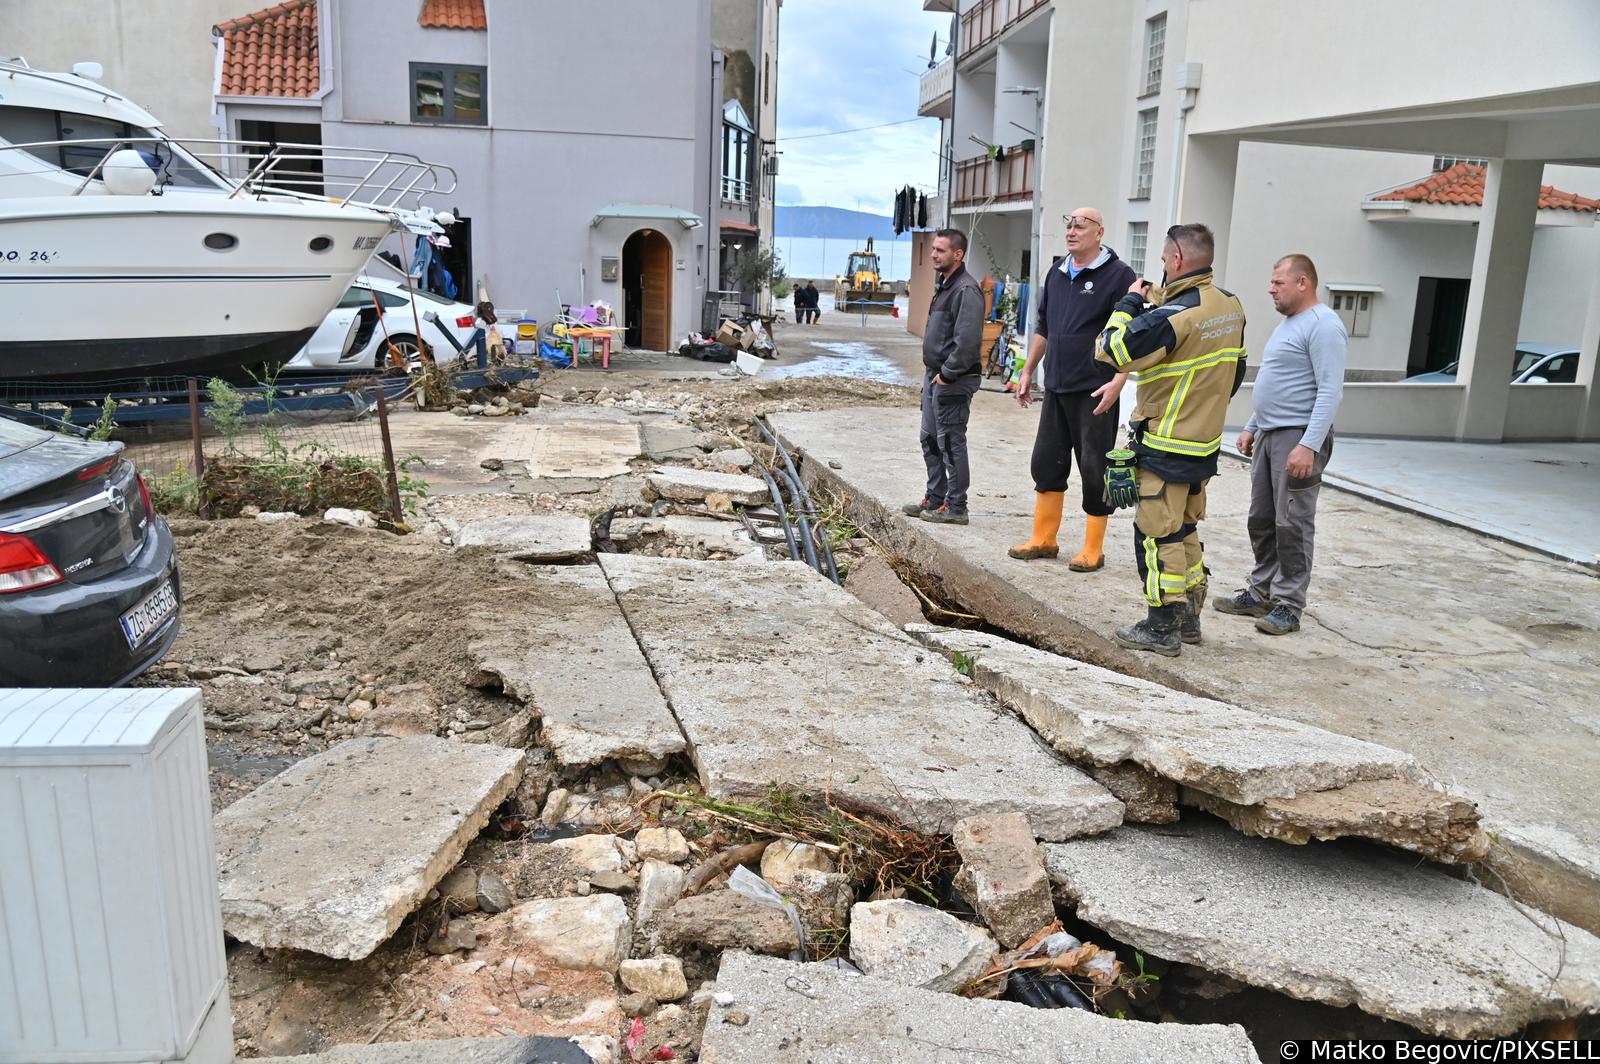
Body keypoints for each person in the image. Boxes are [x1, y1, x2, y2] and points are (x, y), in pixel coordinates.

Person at [1092, 223, 1248, 656]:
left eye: (1163, 260)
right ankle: (1190, 619)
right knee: (1185, 529)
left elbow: (1109, 349)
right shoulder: (1230, 305)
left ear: (1176, 260)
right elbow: (1236, 370)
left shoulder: (1174, 318)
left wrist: (1128, 302)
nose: (1162, 265)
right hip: (1203, 444)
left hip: (1165, 443)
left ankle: (1162, 627)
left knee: (1156, 534)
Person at [1214, 253, 1346, 636]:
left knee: (1293, 523)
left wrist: (1309, 445)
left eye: (1278, 283)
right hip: (1271, 435)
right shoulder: (1289, 324)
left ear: (1303, 283)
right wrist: (1253, 426)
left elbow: (1330, 391)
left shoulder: (1324, 325)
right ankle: (1261, 592)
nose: (1271, 289)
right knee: (1262, 518)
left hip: (1297, 437)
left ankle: (1289, 604)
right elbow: (1278, 382)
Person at [1008, 207, 1137, 569]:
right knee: (1046, 463)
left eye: (1081, 225)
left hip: (1096, 389)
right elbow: (1044, 327)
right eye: (1069, 225)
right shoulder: (1057, 272)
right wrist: (1027, 370)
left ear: (1099, 232)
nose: (1072, 231)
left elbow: (1131, 335)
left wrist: (1118, 382)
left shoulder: (1118, 275)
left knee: (1095, 468)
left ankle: (1093, 549)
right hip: (1057, 386)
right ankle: (1044, 539)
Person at [902, 228, 983, 525]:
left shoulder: (966, 290)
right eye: (933, 249)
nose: (934, 254)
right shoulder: (946, 286)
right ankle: (935, 496)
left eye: (940, 250)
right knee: (930, 439)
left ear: (957, 254)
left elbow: (967, 342)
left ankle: (957, 506)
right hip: (934, 377)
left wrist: (947, 375)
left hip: (952, 380)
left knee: (950, 441)